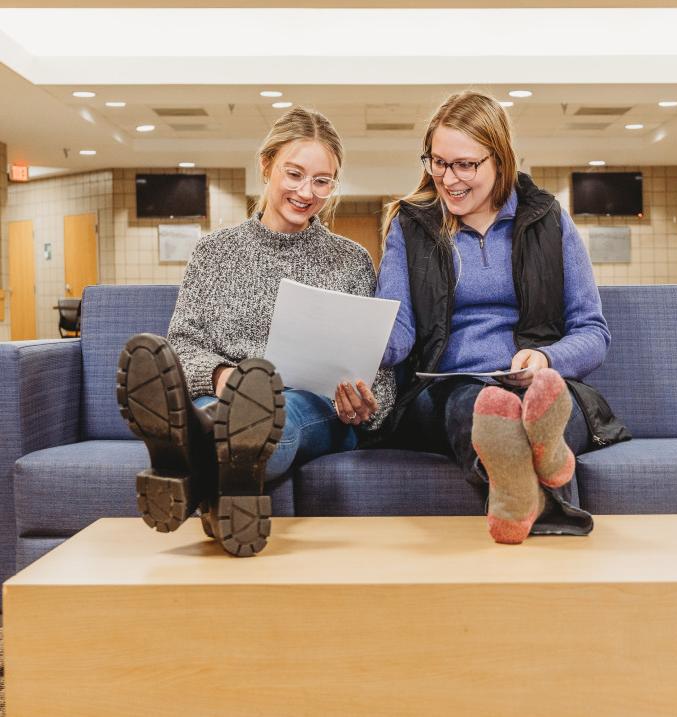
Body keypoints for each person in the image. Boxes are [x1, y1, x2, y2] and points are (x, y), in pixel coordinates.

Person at [117, 106, 394, 556]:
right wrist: (226, 377)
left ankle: (183, 454)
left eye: (322, 181)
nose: (307, 192)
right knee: (229, 415)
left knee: (271, 415)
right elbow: (183, 345)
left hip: (319, 409)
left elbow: (380, 370)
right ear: (266, 166)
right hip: (225, 399)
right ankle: (225, 473)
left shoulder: (352, 261)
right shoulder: (213, 253)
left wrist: (366, 402)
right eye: (295, 174)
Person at [376, 90, 611, 544]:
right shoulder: (411, 226)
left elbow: (592, 331)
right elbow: (399, 331)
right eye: (438, 162)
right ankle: (542, 472)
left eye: (466, 164)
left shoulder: (549, 220)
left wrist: (546, 359)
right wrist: (354, 346)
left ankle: (521, 488)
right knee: (478, 407)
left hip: (540, 380)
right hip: (448, 385)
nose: (449, 178)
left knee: (548, 402)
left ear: (499, 160)